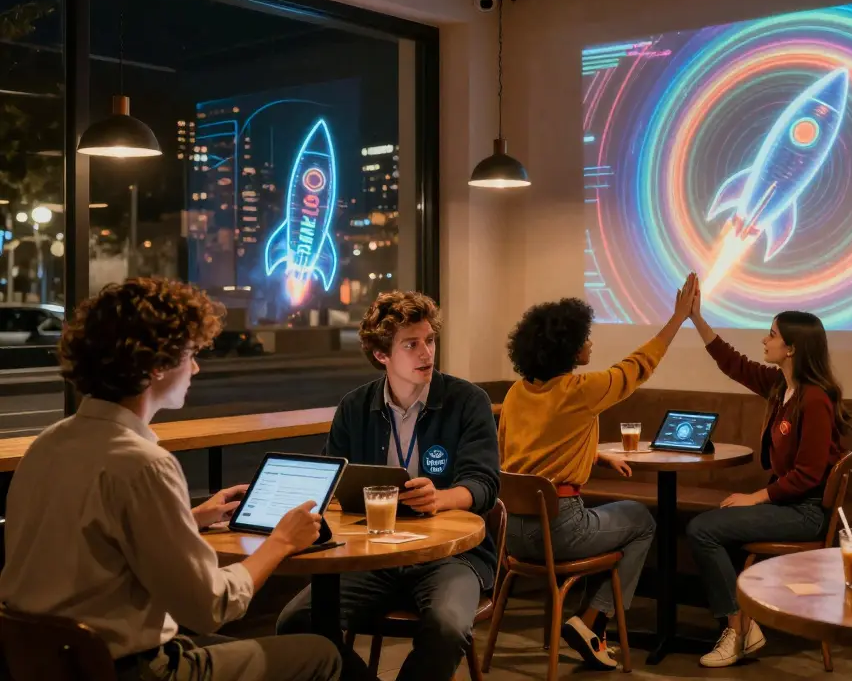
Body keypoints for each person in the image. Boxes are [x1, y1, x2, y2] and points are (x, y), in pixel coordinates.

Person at [0, 278, 345, 681]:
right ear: (158, 365)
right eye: (190, 354)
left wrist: (191, 518)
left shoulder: (47, 444)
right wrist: (281, 541)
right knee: (320, 653)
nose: (195, 367)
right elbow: (210, 607)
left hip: (45, 664)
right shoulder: (144, 464)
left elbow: (92, 540)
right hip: (128, 670)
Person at [277, 291, 500, 681]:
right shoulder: (355, 406)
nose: (426, 353)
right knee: (296, 621)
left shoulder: (467, 401)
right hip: (372, 555)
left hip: (449, 556)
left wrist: (440, 498)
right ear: (382, 354)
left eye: (429, 340)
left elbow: (484, 485)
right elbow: (331, 482)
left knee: (447, 628)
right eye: (411, 345)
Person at [499, 274, 696, 669]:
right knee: (642, 520)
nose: (590, 344)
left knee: (614, 522)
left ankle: (591, 625)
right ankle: (593, 620)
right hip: (560, 530)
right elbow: (638, 366)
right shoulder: (580, 391)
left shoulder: (517, 393)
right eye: (585, 338)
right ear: (569, 347)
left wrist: (596, 457)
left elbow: (527, 455)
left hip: (513, 535)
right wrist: (678, 318)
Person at [684, 275, 851, 668]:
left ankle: (738, 629)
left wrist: (756, 497)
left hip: (806, 511)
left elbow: (809, 474)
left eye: (772, 335)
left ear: (791, 348)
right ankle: (743, 625)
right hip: (788, 505)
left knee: (702, 529)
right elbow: (734, 364)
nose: (765, 340)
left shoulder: (814, 399)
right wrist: (696, 319)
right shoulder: (782, 386)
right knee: (710, 524)